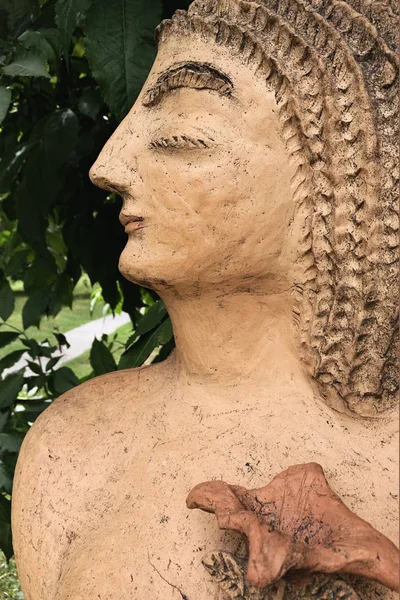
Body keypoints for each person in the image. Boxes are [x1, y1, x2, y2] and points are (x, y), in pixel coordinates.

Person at [12, 1, 398, 598]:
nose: (106, 165)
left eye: (178, 133)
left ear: (345, 172)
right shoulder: (74, 447)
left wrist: (376, 570)